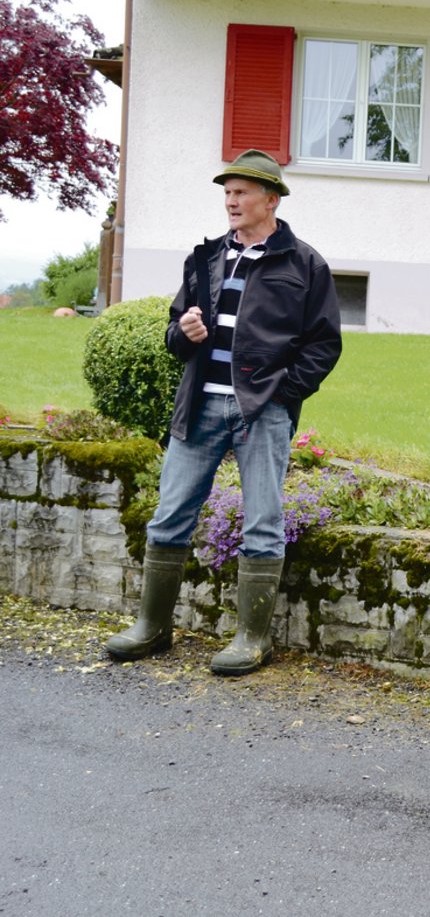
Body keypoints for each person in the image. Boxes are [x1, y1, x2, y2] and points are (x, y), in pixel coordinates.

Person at [105, 149, 342, 676]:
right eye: (227, 193)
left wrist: (284, 393)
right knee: (169, 517)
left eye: (241, 193)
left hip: (262, 411)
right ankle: (152, 628)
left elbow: (323, 345)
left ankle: (252, 639)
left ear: (270, 200)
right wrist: (182, 333)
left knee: (262, 523)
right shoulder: (206, 258)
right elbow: (174, 335)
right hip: (200, 407)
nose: (231, 201)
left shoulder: (305, 264)